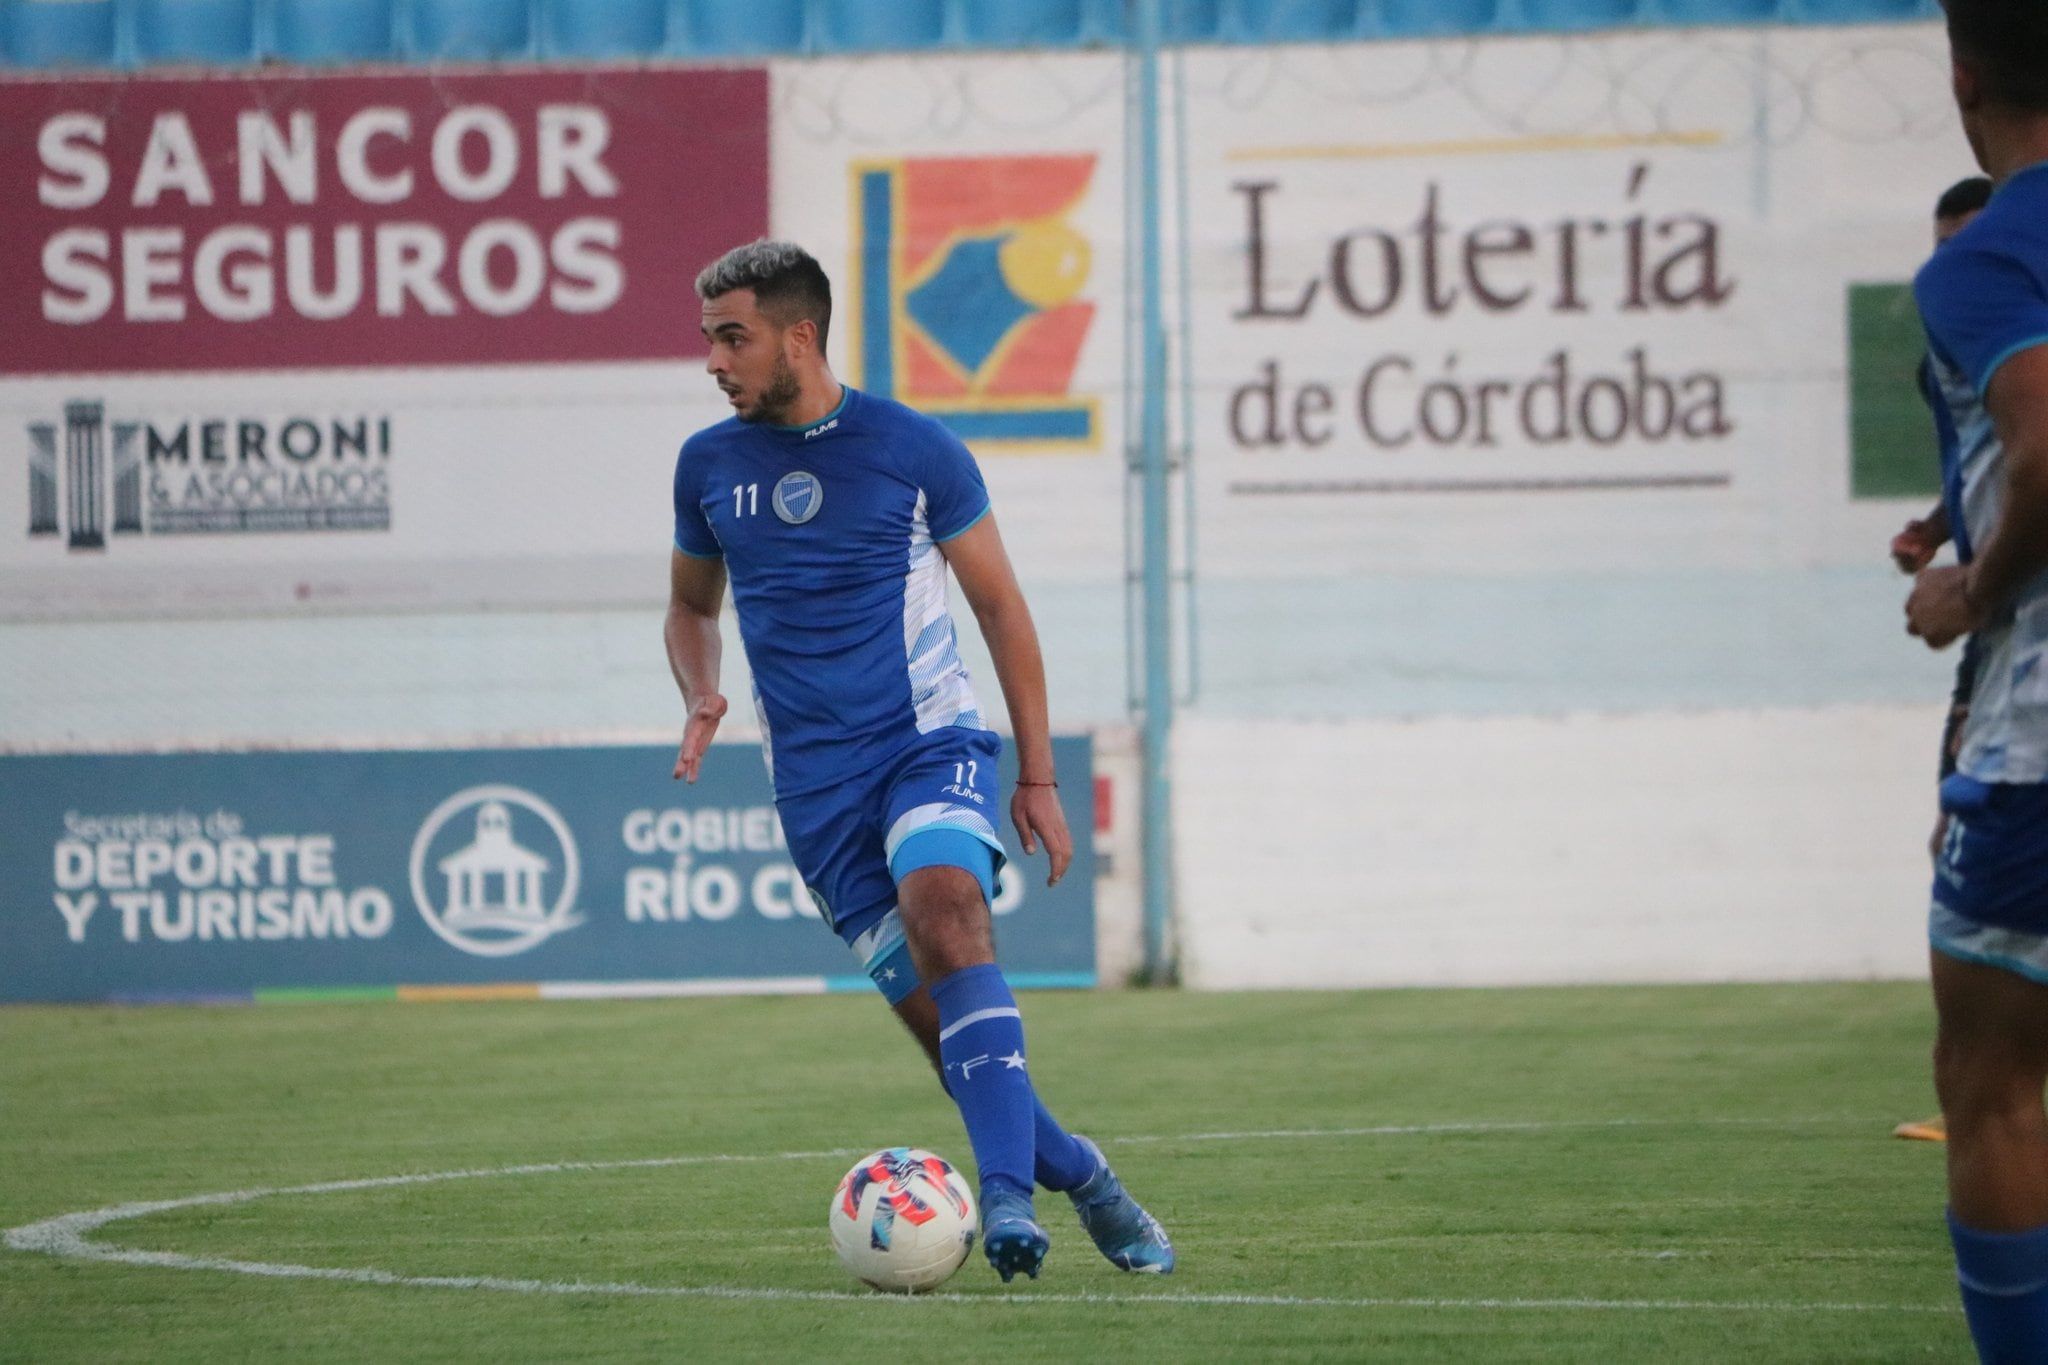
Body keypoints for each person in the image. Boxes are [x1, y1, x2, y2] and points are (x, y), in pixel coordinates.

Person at [663, 240, 1174, 1283]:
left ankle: (1001, 1202)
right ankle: (1082, 1177)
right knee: (949, 1035)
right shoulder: (707, 467)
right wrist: (700, 686)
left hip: (925, 744)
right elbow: (687, 605)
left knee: (947, 910)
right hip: (813, 793)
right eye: (709, 338)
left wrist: (1034, 776)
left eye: (732, 338)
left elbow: (999, 607)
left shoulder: (913, 449)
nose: (713, 361)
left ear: (797, 335)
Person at [1905, 2, 2048, 1355]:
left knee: (1994, 1082)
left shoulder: (1984, 254)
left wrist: (1969, 586)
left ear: (1963, 76)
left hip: (2042, 734)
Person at [1891, 173, 1992, 1147]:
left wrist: (1974, 584)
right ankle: (1983, 1088)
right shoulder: (1945, 349)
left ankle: (1993, 1095)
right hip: (1992, 616)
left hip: (2008, 613)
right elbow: (1975, 466)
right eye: (1942, 246)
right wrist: (1931, 526)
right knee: (1948, 840)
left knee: (1968, 840)